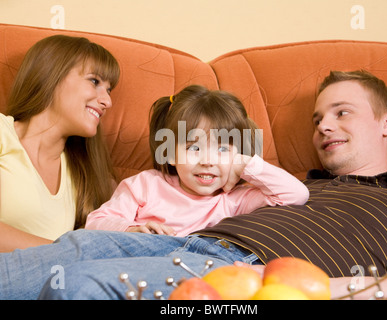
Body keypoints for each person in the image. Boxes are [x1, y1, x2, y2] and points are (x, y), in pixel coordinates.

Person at [0, 70, 387, 300]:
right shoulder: (294, 182)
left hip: (243, 270)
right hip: (189, 246)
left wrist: (300, 287)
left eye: (341, 112)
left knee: (75, 286)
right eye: (317, 118)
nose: (323, 126)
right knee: (79, 250)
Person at [85, 85, 309, 237]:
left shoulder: (233, 200)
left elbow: (296, 194)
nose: (207, 161)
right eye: (194, 147)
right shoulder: (145, 185)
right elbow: (95, 222)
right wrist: (132, 229)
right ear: (170, 153)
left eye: (222, 148)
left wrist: (243, 164)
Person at [0, 35, 120, 254]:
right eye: (95, 81)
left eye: (109, 90)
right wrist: (77, 254)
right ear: (51, 74)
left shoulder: (85, 178)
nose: (107, 101)